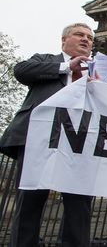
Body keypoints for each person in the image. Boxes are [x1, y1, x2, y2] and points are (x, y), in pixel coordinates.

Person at [0, 23, 96, 247]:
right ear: (64, 40)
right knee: (30, 202)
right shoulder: (46, 61)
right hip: (39, 139)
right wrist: (66, 67)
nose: (86, 40)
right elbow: (21, 70)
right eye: (79, 35)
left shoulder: (97, 73)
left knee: (79, 204)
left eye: (90, 38)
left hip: (78, 142)